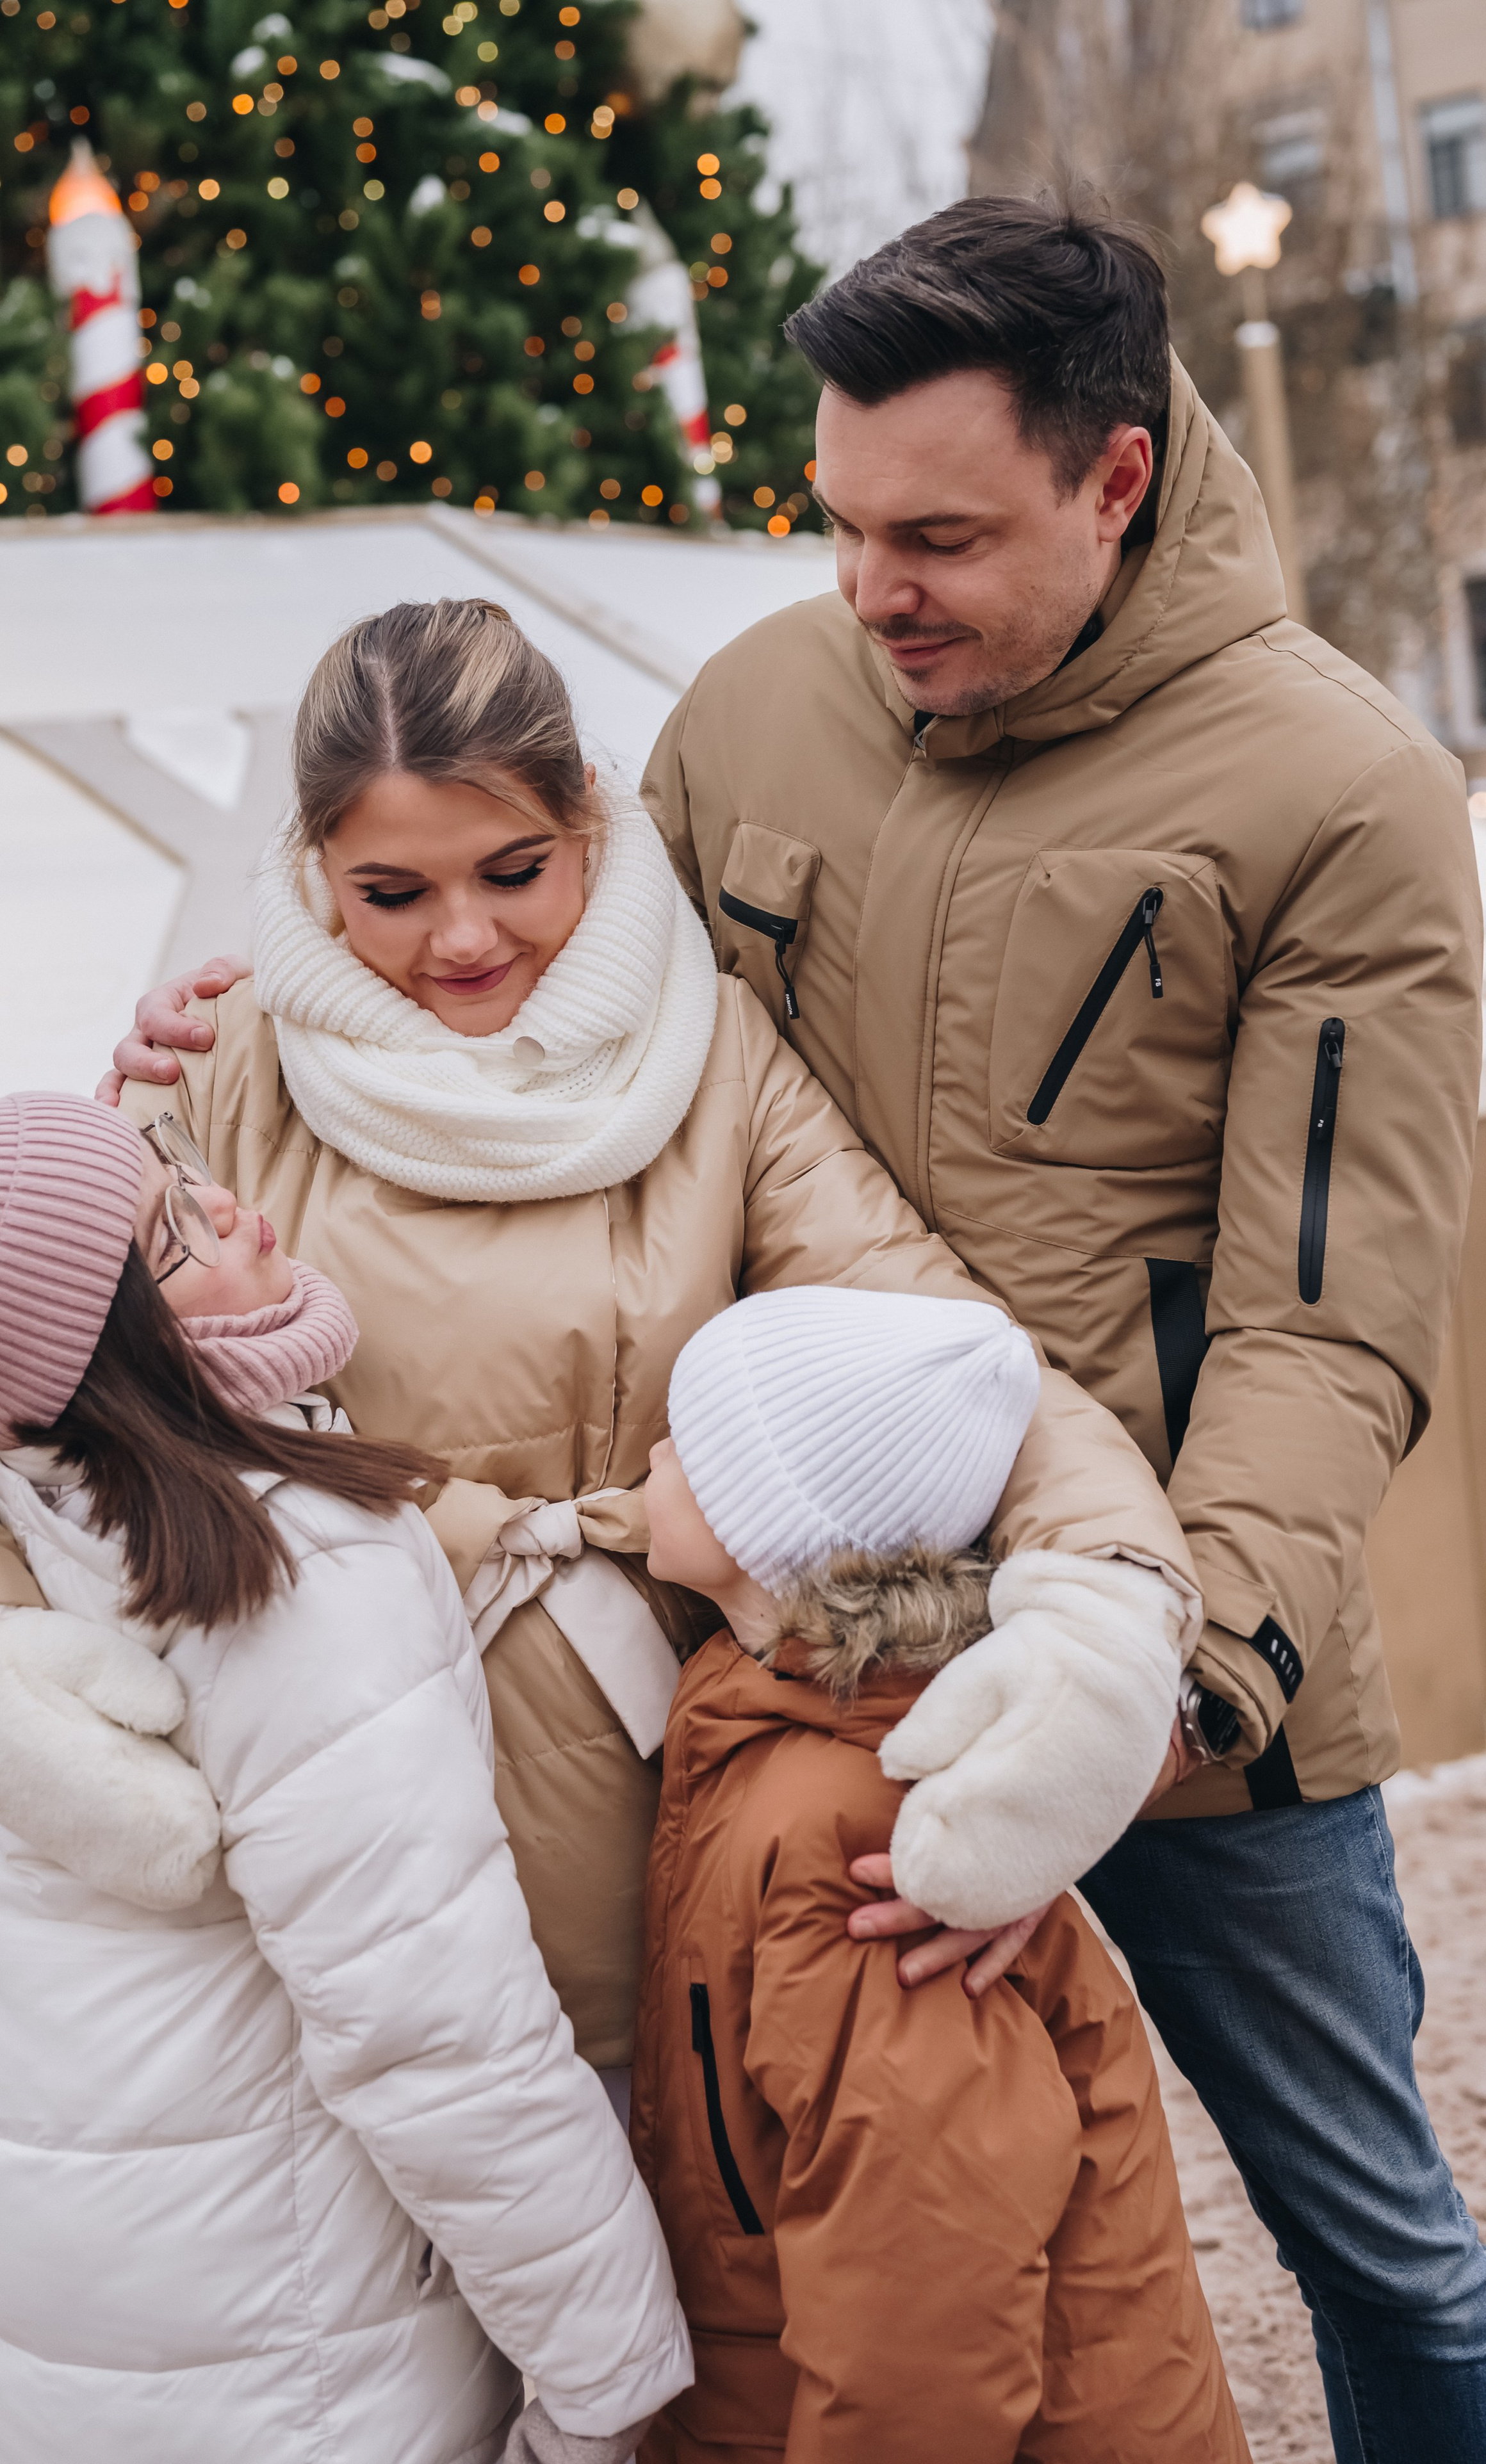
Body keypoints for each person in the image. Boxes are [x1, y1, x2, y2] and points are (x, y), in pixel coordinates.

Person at [0, 598, 1203, 2076]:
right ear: (314, 871)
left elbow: (947, 1347)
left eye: (513, 871)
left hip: (667, 1797)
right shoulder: (222, 1063)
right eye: (390, 893)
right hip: (333, 1824)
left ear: (589, 824)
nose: (463, 938)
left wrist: (1103, 1612)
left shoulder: (713, 1058)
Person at [636, 200, 1485, 2459]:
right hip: (803, 1647)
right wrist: (247, 1037)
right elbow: (557, 1055)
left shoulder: (1343, 795)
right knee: (767, 2233)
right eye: (839, 523)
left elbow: (1328, 1325)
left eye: (938, 537)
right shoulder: (748, 715)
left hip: (1183, 1677)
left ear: (1117, 478)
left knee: (1384, 2252)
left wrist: (1149, 1705)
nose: (869, 590)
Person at [0, 1090, 691, 2464]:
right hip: (282, 2322)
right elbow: (435, 2031)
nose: (231, 1208)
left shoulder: (36, 1492)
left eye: (179, 1176)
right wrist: (608, 2372)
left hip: (85, 2263)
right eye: (170, 1238)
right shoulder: (293, 1577)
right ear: (105, 1345)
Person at [632, 1285, 1250, 2464]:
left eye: (688, 1440)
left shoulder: (862, 1836)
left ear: (774, 1531)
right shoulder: (776, 1719)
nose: (655, 1454)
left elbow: (924, 2290)